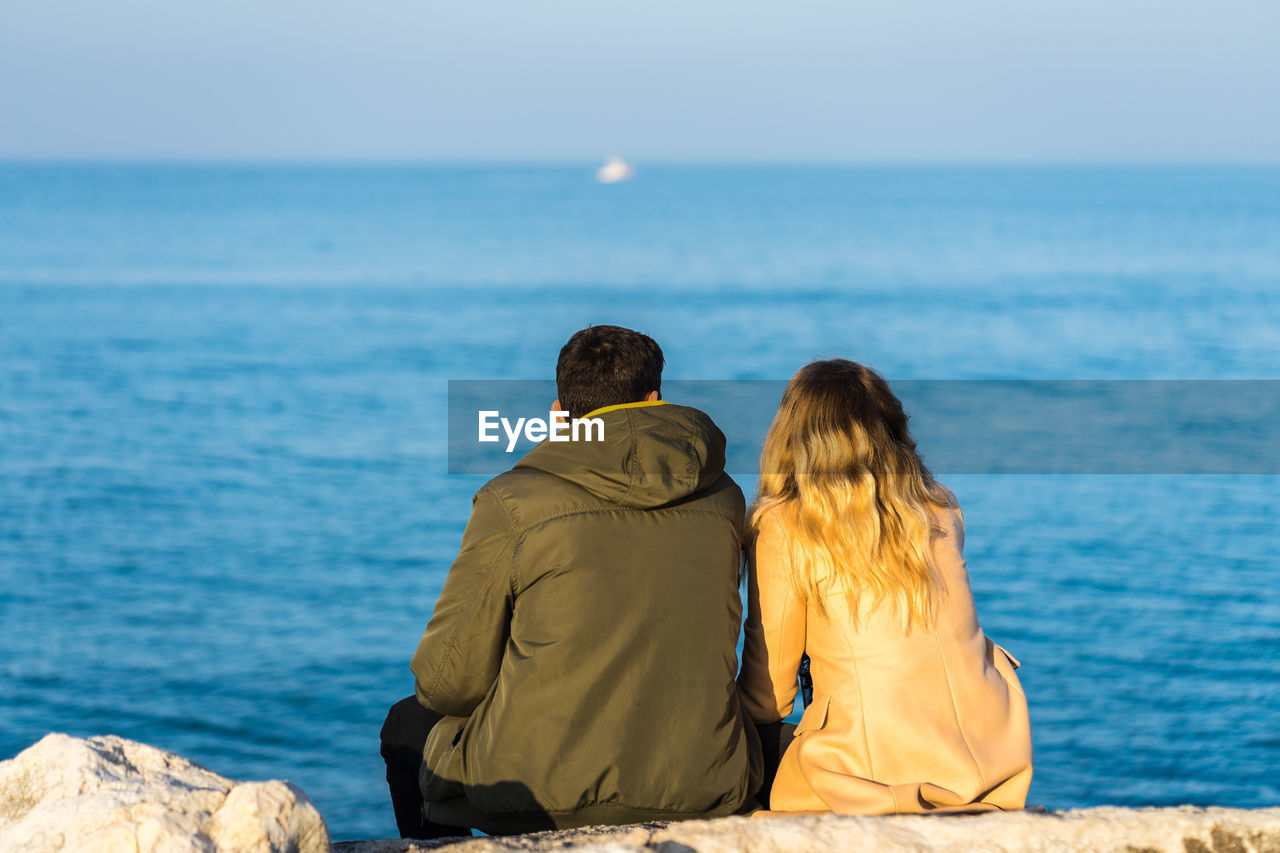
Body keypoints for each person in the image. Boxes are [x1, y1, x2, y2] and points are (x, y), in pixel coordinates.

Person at [381, 325, 762, 838]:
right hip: (702, 783)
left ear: (559, 412)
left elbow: (447, 685)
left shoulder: (512, 502)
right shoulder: (724, 499)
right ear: (654, 401)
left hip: (539, 794)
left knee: (405, 726)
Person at [738, 359, 1032, 814]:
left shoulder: (783, 525)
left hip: (873, 777)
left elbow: (768, 697)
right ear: (892, 428)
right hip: (993, 757)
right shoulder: (939, 506)